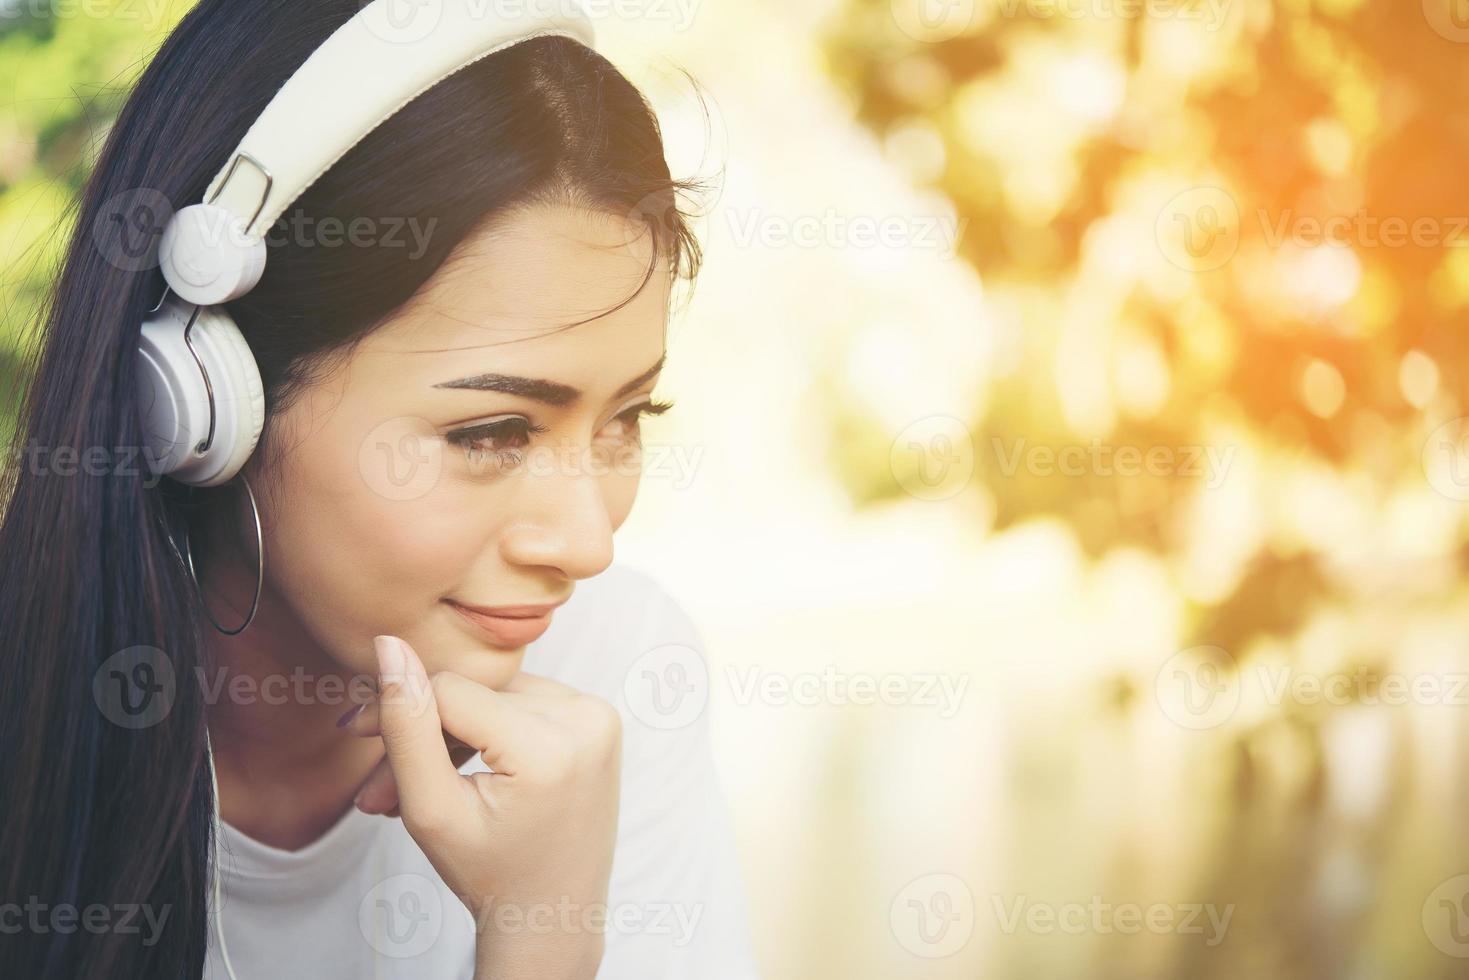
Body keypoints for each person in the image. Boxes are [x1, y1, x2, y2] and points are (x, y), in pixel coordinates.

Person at [0, 1, 757, 978]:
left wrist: (542, 932)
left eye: (625, 418)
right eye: (489, 431)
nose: (585, 543)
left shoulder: (614, 666)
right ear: (202, 400)